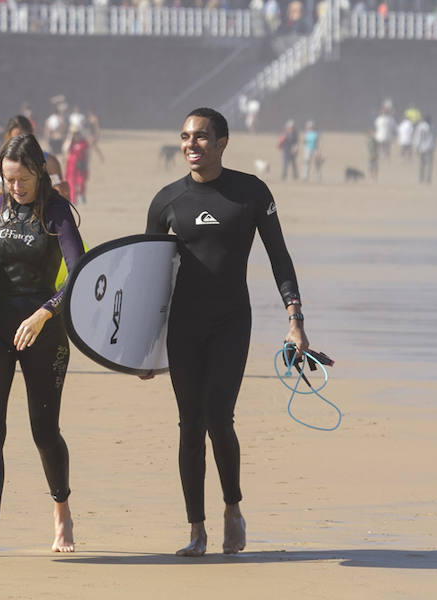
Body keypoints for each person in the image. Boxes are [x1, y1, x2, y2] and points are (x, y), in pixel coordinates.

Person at [145, 108, 308, 557]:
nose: (190, 144)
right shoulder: (166, 202)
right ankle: (196, 529)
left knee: (218, 415)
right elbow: (149, 279)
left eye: (200, 137)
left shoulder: (250, 193)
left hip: (232, 321)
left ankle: (232, 507)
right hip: (183, 325)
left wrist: (295, 320)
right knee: (189, 425)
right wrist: (143, 350)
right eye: (184, 137)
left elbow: (279, 257)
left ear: (222, 142)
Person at [0, 133, 85, 557]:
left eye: (23, 179)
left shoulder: (56, 213)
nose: (15, 188)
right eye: (8, 179)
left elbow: (78, 273)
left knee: (44, 430)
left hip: (43, 331)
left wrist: (43, 313)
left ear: (40, 173)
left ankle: (61, 509)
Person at [0, 114, 70, 200]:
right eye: (15, 138)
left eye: (23, 137)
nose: (20, 142)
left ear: (31, 135)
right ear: (8, 138)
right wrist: (6, 199)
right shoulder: (2, 161)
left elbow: (63, 197)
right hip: (8, 211)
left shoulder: (49, 162)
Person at [63, 125, 90, 204]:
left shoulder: (83, 143)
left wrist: (87, 164)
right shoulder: (70, 142)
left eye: (77, 133)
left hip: (81, 164)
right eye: (74, 134)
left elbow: (88, 154)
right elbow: (65, 149)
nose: (75, 135)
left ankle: (82, 194)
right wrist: (69, 138)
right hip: (71, 164)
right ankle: (73, 200)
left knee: (81, 181)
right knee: (71, 182)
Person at [414, 114, 436, 184]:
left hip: (422, 148)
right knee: (429, 164)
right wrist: (434, 145)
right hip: (429, 147)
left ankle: (422, 178)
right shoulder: (432, 127)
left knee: (422, 164)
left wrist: (417, 147)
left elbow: (418, 137)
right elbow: (435, 138)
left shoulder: (420, 127)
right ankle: (428, 178)